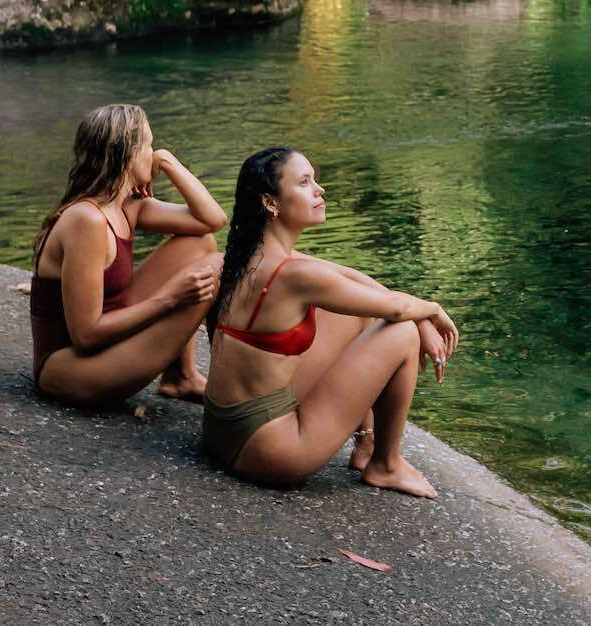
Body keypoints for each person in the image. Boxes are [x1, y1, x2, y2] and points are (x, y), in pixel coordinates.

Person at [201, 147, 459, 498]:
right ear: (270, 202)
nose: (319, 189)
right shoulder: (295, 275)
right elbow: (396, 311)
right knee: (401, 332)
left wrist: (423, 313)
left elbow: (351, 278)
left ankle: (366, 446)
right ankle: (386, 465)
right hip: (268, 452)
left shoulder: (249, 256)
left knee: (360, 312)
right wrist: (431, 310)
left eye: (315, 179)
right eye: (305, 182)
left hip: (222, 431)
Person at [29, 104, 226, 406]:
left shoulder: (128, 206)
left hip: (111, 339)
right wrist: (170, 298)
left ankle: (181, 377)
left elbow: (211, 220)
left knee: (200, 244)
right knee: (217, 268)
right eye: (149, 145)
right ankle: (233, 389)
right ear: (128, 154)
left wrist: (169, 162)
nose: (153, 152)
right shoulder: (87, 219)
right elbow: (86, 335)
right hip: (70, 366)